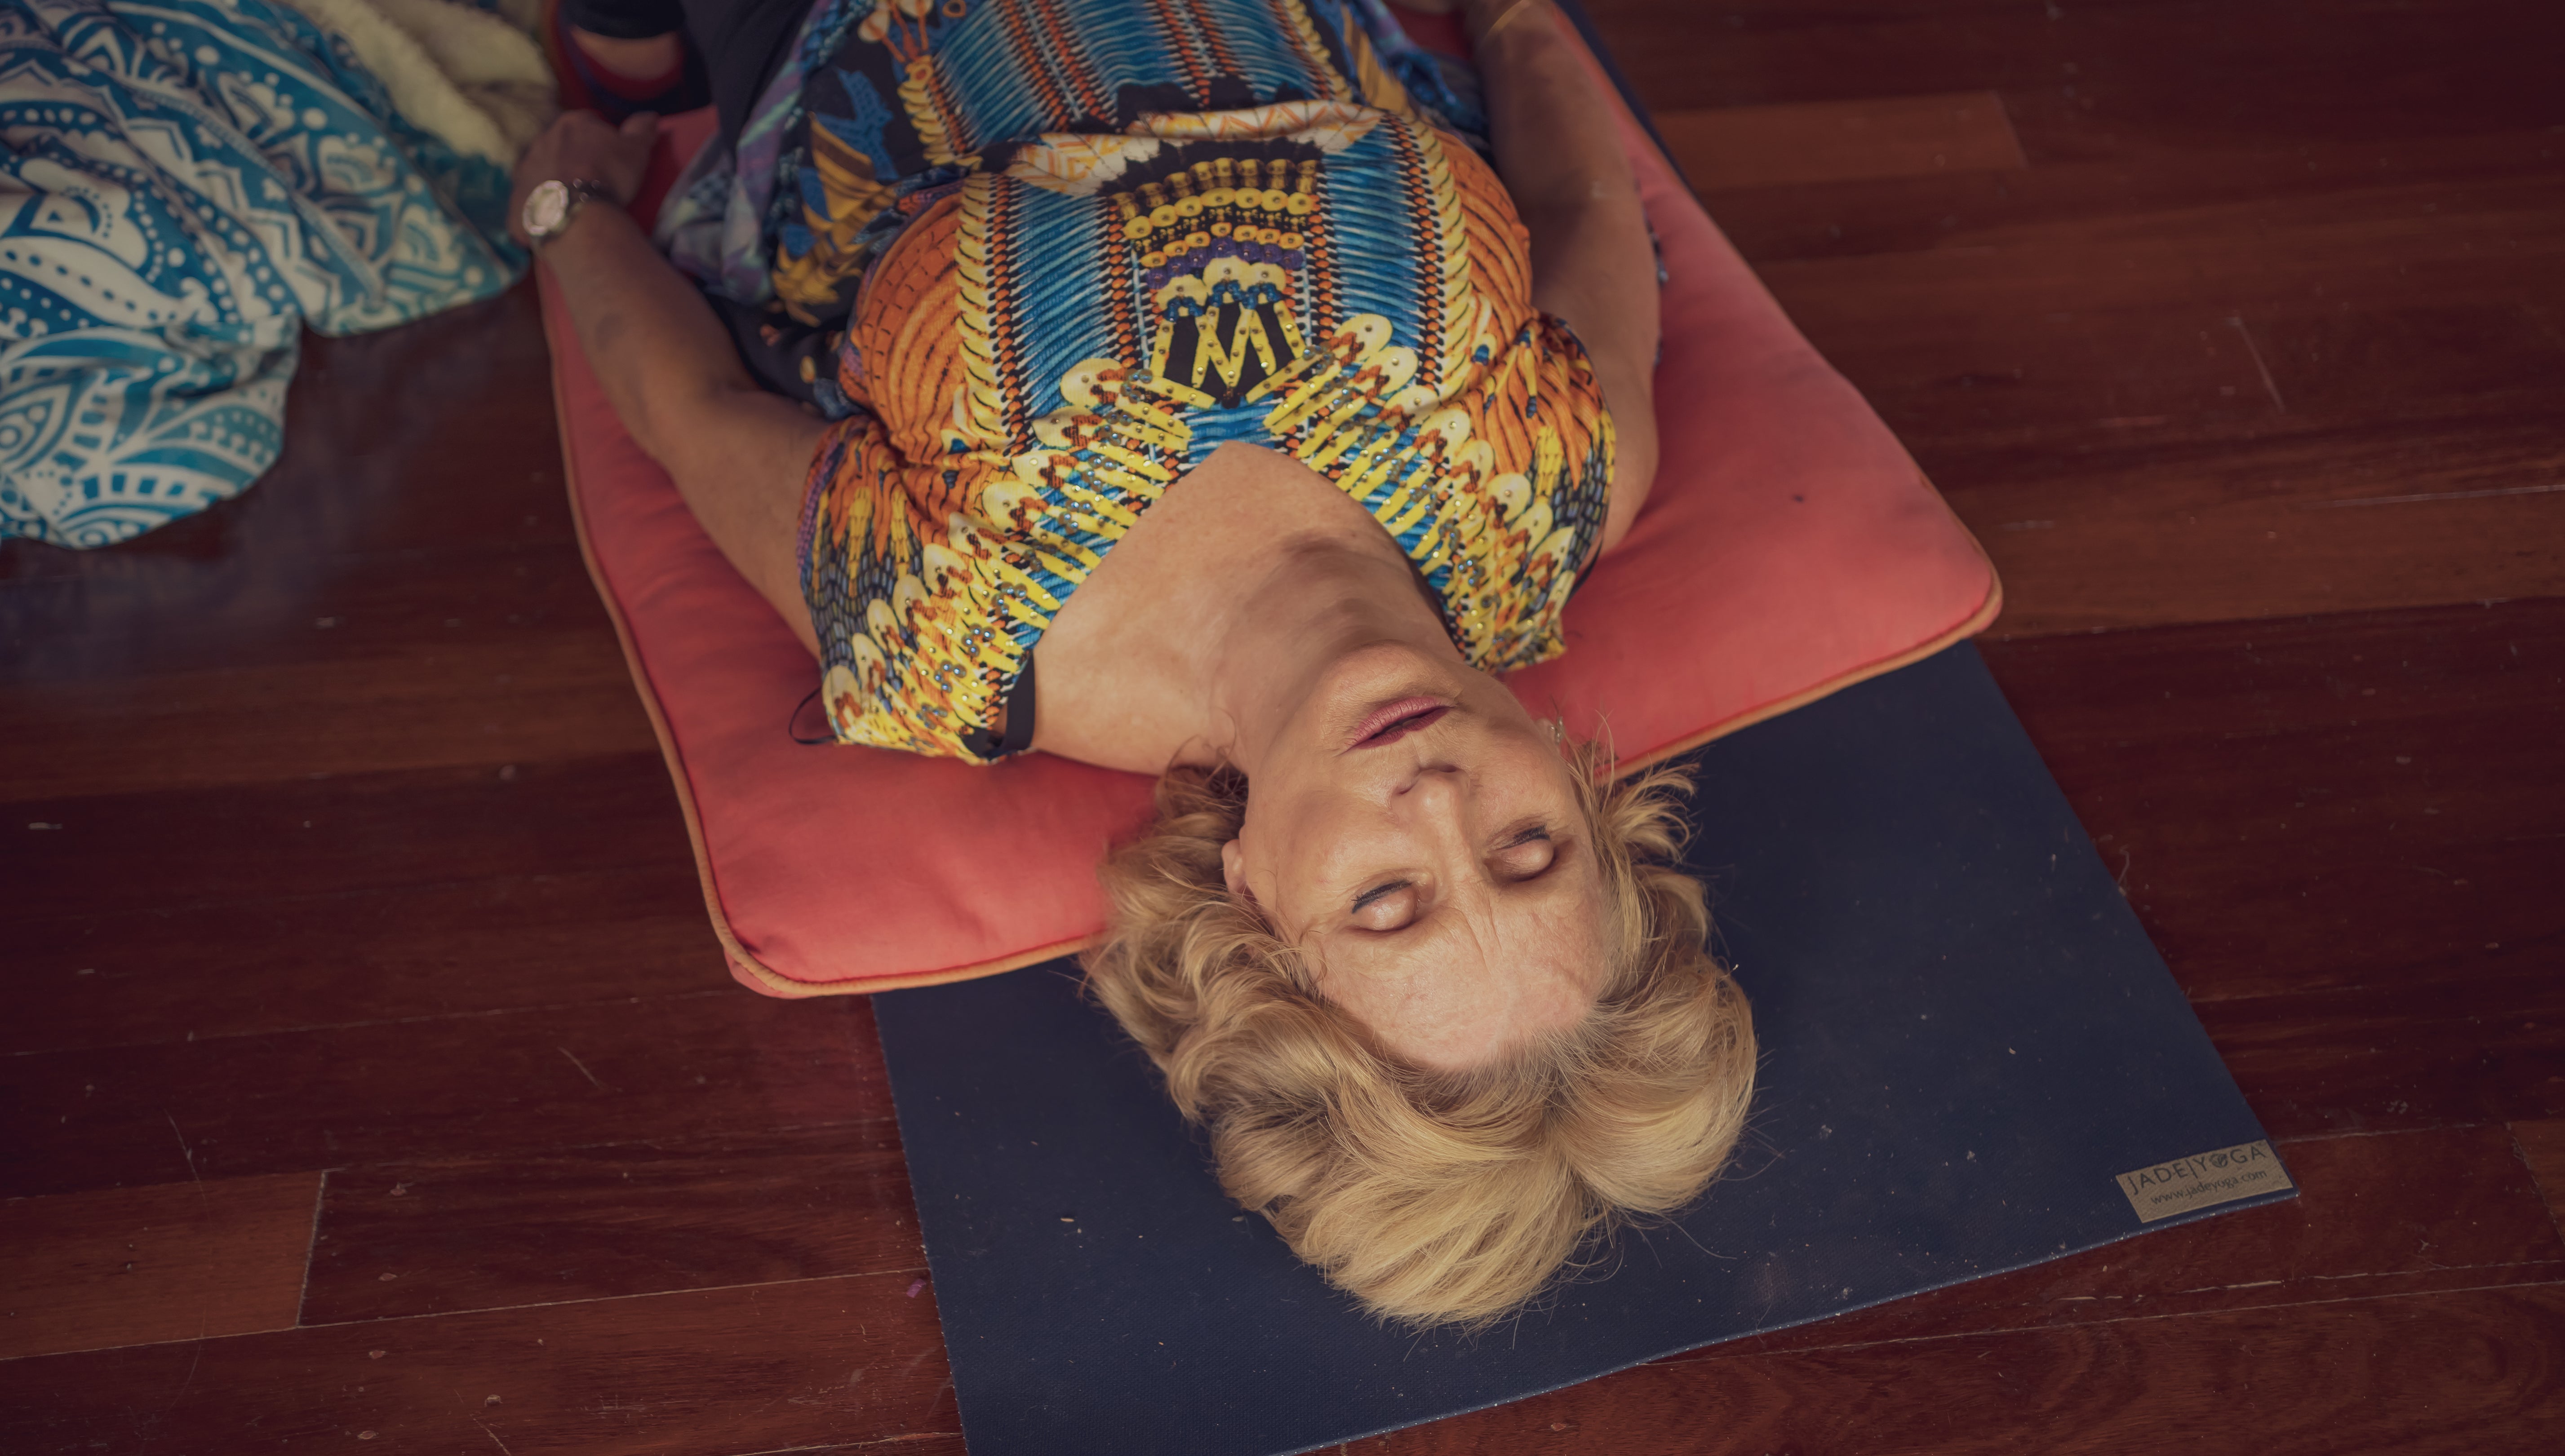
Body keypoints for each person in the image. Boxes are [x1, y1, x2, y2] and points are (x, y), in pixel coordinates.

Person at [518, 0, 1753, 1328]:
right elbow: (1580, 199)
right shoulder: (1555, 486)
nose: (1438, 794)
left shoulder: (954, 632)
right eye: (1526, 851)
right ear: (1582, 794)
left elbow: (691, 406)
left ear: (1253, 902)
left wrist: (561, 211)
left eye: (1390, 900)